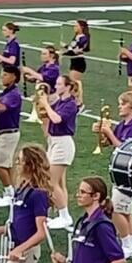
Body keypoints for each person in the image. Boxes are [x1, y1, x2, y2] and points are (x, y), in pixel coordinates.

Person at [100, 91, 132, 256]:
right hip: (120, 170)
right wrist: (102, 133)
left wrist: (109, 133)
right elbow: (110, 144)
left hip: (129, 173)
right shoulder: (123, 124)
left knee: (116, 210)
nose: (119, 106)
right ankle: (130, 245)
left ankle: (127, 244)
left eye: (122, 103)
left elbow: (124, 148)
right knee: (126, 211)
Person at [37, 78, 79, 228]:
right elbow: (47, 115)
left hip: (63, 143)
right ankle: (62, 214)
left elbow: (56, 118)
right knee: (60, 182)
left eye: (59, 84)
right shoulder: (61, 102)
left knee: (50, 181)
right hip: (54, 142)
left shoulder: (70, 104)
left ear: (68, 87)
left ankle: (65, 215)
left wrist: (46, 103)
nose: (56, 86)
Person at [0, 66, 24, 203]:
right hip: (3, 132)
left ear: (14, 76)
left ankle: (9, 193)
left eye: (6, 75)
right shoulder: (5, 93)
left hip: (9, 133)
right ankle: (13, 191)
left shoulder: (13, 94)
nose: (2, 77)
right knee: (7, 165)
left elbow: (2, 107)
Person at [63, 18, 91, 99]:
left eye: (76, 26)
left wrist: (65, 51)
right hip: (74, 60)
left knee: (74, 83)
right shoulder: (77, 36)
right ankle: (74, 98)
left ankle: (79, 99)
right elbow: (71, 48)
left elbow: (75, 50)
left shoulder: (83, 38)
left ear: (81, 27)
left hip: (79, 62)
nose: (74, 27)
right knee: (72, 82)